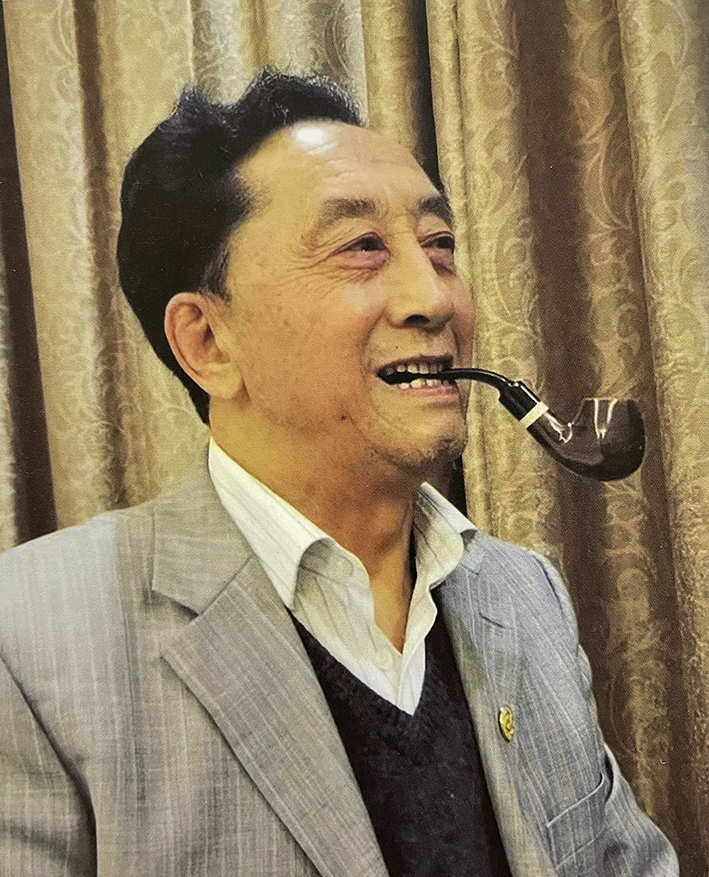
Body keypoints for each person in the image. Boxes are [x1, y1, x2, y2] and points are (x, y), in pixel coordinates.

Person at [0, 69, 677, 876]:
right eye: (362, 247)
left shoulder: (525, 595)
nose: (433, 298)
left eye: (438, 245)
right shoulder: (31, 637)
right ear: (208, 343)